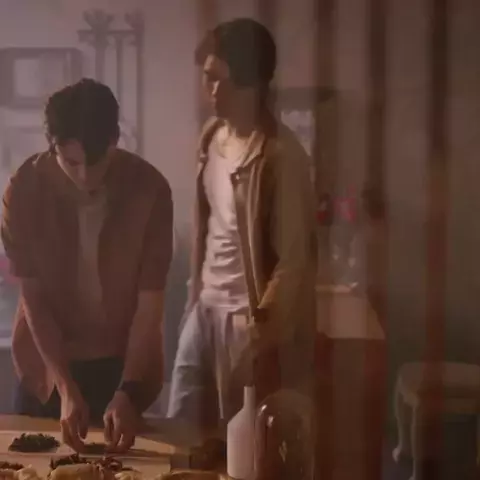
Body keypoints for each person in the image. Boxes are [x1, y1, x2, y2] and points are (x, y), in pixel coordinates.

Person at [1, 79, 173, 452]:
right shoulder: (23, 192)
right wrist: (65, 386)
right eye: (72, 162)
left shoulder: (150, 190)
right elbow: (33, 299)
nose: (85, 176)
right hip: (46, 365)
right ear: (53, 147)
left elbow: (149, 305)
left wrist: (128, 390)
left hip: (122, 364)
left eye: (97, 162)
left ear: (115, 140)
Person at [167, 18, 317, 432]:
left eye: (225, 81)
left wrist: (260, 334)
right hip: (203, 310)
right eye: (208, 78)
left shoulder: (281, 156)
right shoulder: (210, 138)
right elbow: (205, 225)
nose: (214, 91)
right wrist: (191, 300)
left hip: (246, 319)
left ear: (253, 85)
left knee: (238, 437)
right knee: (178, 426)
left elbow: (292, 262)